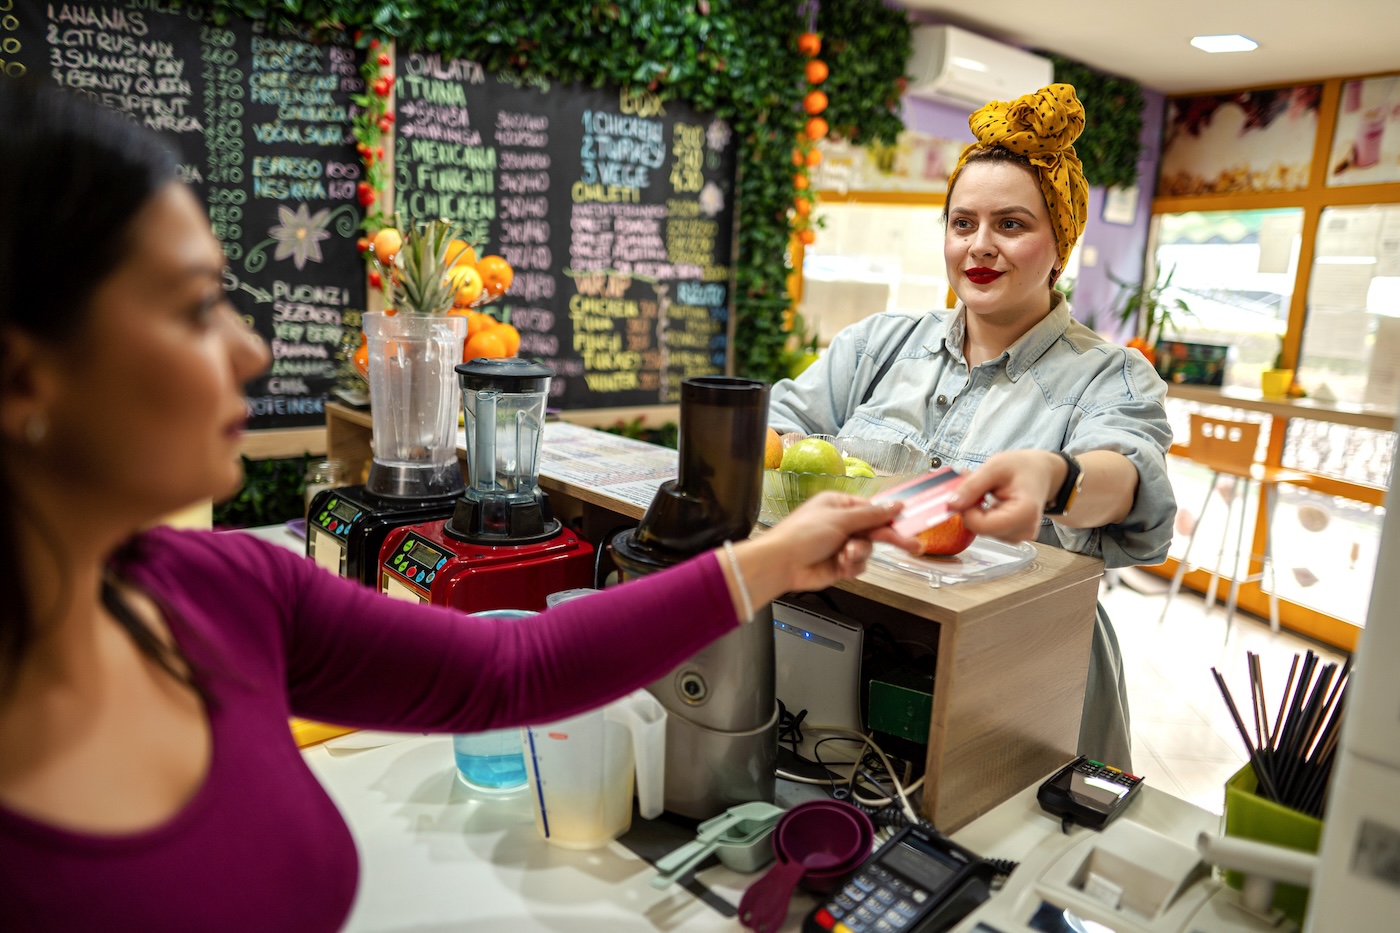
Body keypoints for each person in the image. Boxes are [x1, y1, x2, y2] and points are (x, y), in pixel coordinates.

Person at [0, 79, 918, 931]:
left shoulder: (218, 589)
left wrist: (780, 557)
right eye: (198, 307)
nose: (249, 352)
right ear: (23, 376)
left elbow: (511, 665)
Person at [768, 84, 1176, 770]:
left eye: (1011, 224)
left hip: (1023, 680)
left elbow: (1128, 475)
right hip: (847, 650)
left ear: (1060, 244)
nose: (980, 246)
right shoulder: (879, 345)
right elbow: (782, 428)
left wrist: (1057, 477)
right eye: (963, 224)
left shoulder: (1110, 375)